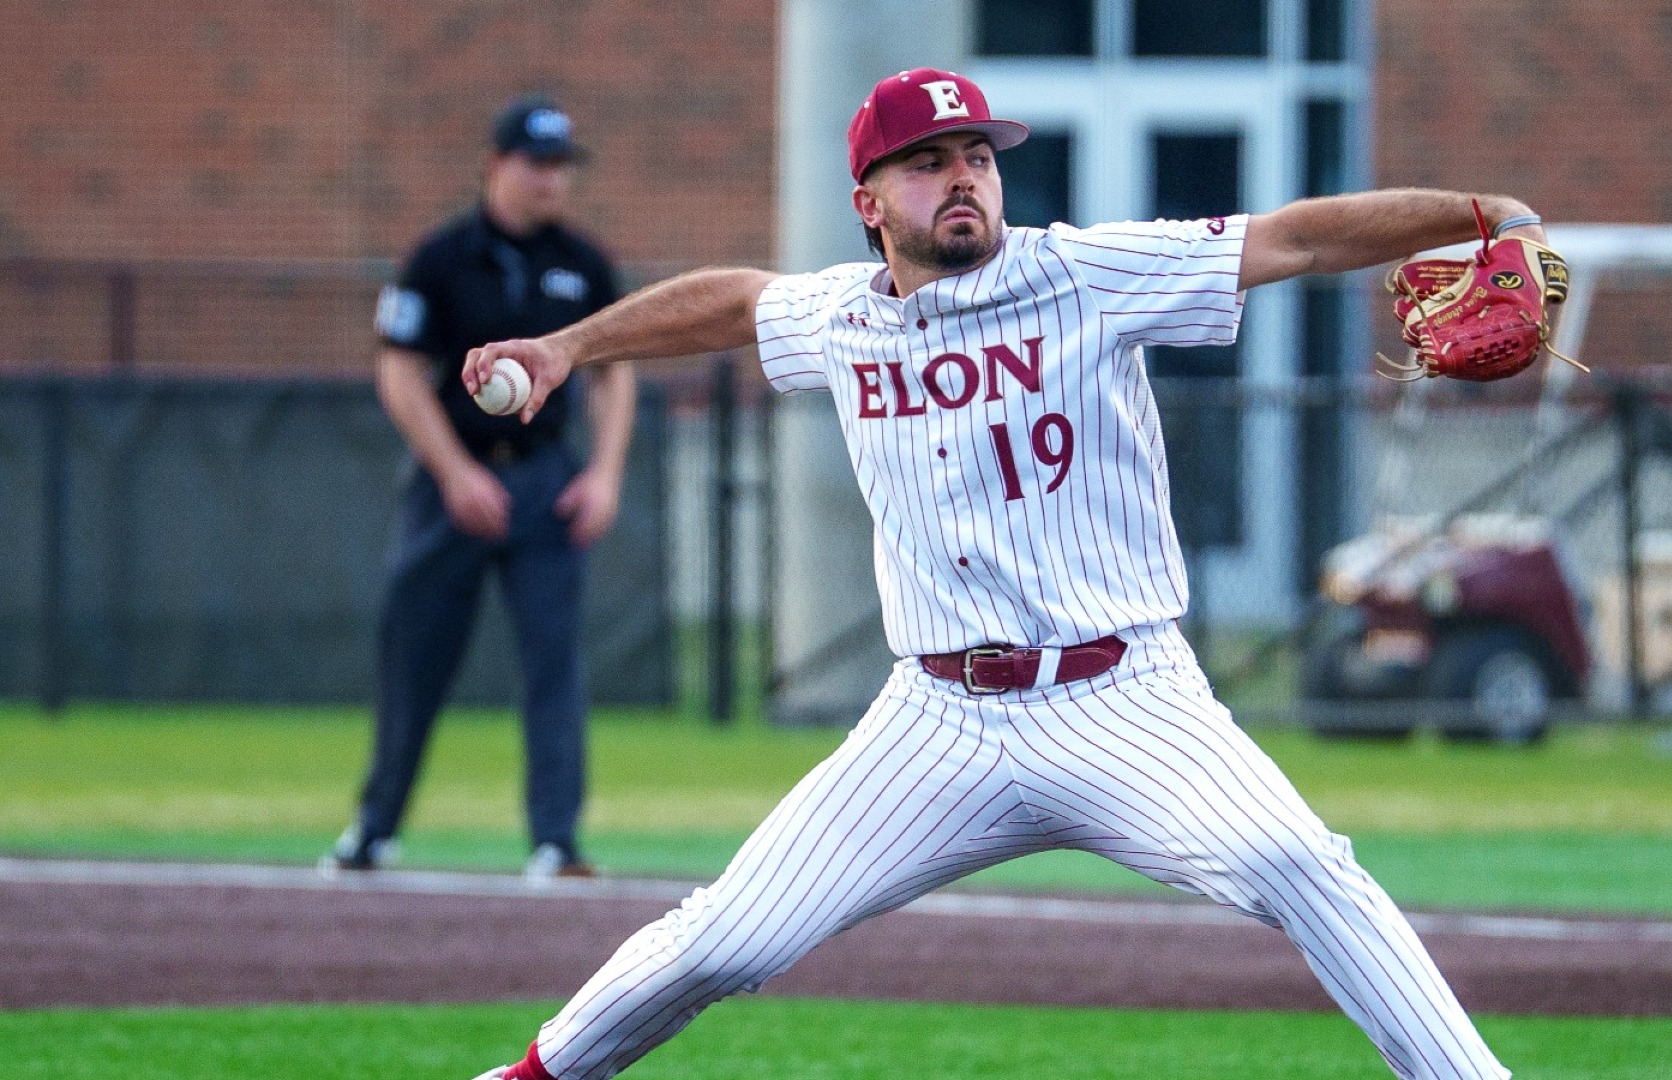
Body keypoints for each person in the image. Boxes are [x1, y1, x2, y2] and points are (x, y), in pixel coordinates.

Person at [467, 69, 1536, 1079]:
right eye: (930, 161)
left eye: (978, 152)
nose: (966, 175)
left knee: (1298, 865)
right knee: (728, 941)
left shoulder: (1086, 273)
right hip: (935, 721)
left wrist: (1483, 212)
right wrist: (568, 350)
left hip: (1126, 699)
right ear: (870, 202)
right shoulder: (842, 315)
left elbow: (1295, 239)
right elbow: (736, 301)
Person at [324, 94, 636, 882]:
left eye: (562, 166)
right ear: (498, 164)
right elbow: (398, 370)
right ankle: (375, 828)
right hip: (450, 483)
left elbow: (613, 373)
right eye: (537, 163)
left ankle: (556, 841)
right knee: (414, 659)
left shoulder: (584, 265)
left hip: (543, 482)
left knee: (553, 664)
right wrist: (454, 473)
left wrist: (603, 475)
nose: (550, 181)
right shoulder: (441, 258)